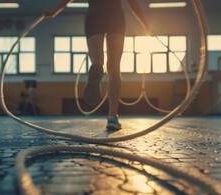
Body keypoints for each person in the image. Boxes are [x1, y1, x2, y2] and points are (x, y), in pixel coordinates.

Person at [45, 0, 150, 131]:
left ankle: (97, 65)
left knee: (97, 59)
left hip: (94, 14)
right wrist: (146, 25)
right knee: (114, 66)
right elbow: (132, 3)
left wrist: (54, 11)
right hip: (115, 15)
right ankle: (112, 117)